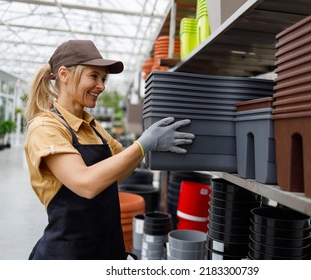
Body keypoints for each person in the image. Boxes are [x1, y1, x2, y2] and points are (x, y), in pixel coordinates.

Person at [24, 39, 194, 260]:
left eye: (103, 78)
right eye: (93, 76)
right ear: (64, 75)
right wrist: (143, 144)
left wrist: (152, 145)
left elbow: (120, 173)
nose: (102, 86)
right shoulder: (46, 127)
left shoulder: (93, 127)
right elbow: (86, 183)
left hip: (107, 249)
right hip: (69, 255)